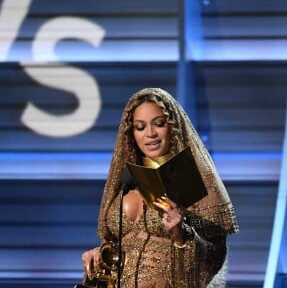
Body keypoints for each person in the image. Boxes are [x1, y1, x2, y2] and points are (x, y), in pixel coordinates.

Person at [81, 88, 239, 288]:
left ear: (172, 127)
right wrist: (100, 256)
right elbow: (117, 242)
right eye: (140, 127)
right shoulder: (125, 183)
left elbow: (215, 253)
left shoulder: (194, 181)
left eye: (159, 124)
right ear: (131, 133)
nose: (150, 134)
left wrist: (181, 235)